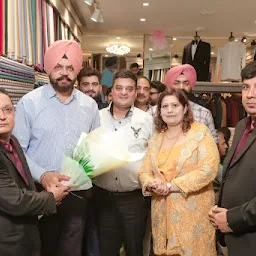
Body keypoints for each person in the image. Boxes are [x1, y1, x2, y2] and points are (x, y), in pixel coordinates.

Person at [13, 40, 100, 256]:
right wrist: (43, 175)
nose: (64, 73)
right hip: (40, 192)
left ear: (77, 71)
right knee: (42, 247)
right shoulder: (29, 103)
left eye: (70, 68)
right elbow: (18, 151)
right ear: (48, 68)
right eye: (58, 67)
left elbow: (95, 148)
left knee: (72, 249)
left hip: (77, 194)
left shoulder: (89, 106)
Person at [139, 88, 219, 256]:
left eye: (175, 105)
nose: (170, 110)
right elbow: (144, 171)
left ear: (185, 108)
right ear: (159, 111)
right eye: (165, 106)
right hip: (162, 215)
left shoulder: (200, 133)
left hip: (193, 215)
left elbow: (209, 169)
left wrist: (171, 186)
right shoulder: (156, 139)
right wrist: (151, 183)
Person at [0, 88, 69, 256]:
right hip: (6, 243)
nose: (2, 116)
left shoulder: (13, 141)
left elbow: (26, 183)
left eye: (7, 110)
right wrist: (51, 197)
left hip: (26, 235)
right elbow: (15, 200)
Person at [95, 70, 154, 256]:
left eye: (129, 89)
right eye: (119, 88)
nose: (124, 92)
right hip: (103, 198)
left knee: (134, 248)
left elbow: (154, 156)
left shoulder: (147, 120)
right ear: (111, 91)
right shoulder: (96, 117)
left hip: (134, 200)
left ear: (136, 92)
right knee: (107, 249)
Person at [209, 61, 256, 256]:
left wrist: (232, 218)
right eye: (246, 87)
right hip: (234, 236)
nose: (250, 94)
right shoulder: (242, 125)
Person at [165, 64, 218, 143]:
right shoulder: (154, 112)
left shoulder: (204, 113)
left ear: (191, 86)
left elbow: (213, 143)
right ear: (169, 86)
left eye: (186, 83)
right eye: (176, 83)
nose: (181, 87)